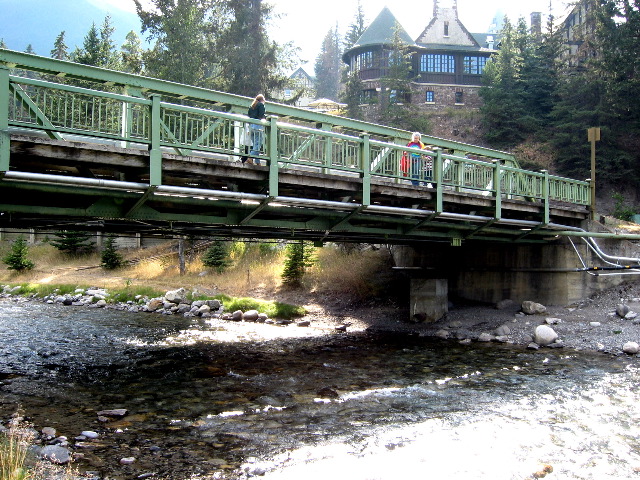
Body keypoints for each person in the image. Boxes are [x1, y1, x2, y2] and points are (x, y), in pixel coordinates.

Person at [247, 94, 266, 165]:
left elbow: (248, 116)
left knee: (255, 145)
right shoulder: (261, 105)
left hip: (251, 126)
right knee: (258, 145)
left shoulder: (252, 106)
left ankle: (257, 162)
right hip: (257, 126)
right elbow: (261, 115)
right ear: (262, 100)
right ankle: (250, 157)